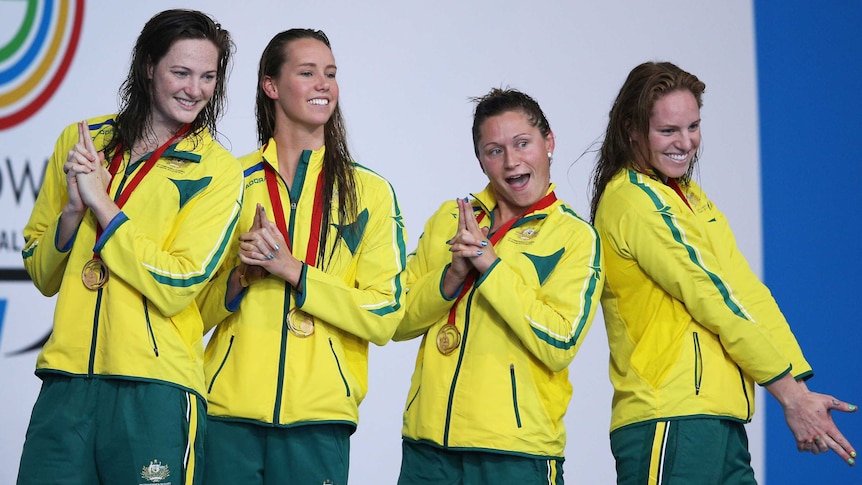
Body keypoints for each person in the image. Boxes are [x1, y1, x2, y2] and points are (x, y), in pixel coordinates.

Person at [590, 61, 857, 484]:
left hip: (721, 418)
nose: (685, 142)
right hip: (670, 418)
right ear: (632, 130)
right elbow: (710, 297)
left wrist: (800, 392)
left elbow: (747, 293)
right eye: (668, 131)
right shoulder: (631, 200)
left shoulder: (693, 199)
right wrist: (788, 395)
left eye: (693, 126)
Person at [18, 9, 240, 485]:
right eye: (180, 72)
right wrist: (73, 211)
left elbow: (178, 282)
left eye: (208, 77)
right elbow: (41, 273)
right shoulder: (82, 142)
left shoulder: (218, 171)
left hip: (155, 389)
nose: (194, 89)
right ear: (148, 66)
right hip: (67, 381)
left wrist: (103, 206)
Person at [196, 28, 407, 485]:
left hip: (319, 417)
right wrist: (240, 279)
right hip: (227, 412)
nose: (323, 85)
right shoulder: (228, 180)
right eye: (307, 72)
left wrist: (294, 271)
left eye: (330, 74)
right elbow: (189, 310)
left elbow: (385, 313)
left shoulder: (370, 192)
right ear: (270, 86)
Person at [393, 88, 603, 485]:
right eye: (494, 150)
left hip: (514, 454)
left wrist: (490, 266)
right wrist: (451, 278)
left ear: (549, 141)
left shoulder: (576, 237)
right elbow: (397, 320)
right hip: (427, 448)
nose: (511, 162)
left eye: (522, 143)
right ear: (480, 159)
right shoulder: (450, 219)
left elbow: (559, 342)